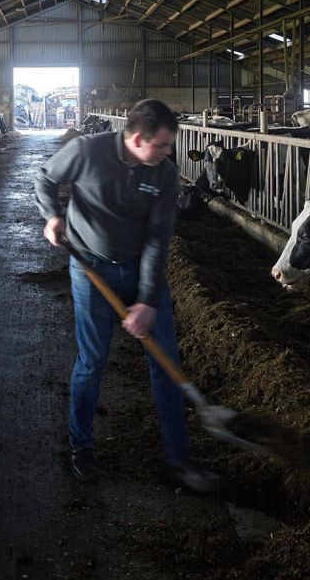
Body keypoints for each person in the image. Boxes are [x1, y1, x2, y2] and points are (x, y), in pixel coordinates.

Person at [34, 98, 218, 493]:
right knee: (93, 360)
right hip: (90, 267)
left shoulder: (165, 174)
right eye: (163, 146)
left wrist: (147, 300)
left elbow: (157, 240)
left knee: (165, 361)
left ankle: (179, 459)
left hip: (138, 269)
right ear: (137, 139)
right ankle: (79, 444)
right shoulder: (88, 151)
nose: (168, 154)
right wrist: (52, 215)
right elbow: (46, 178)